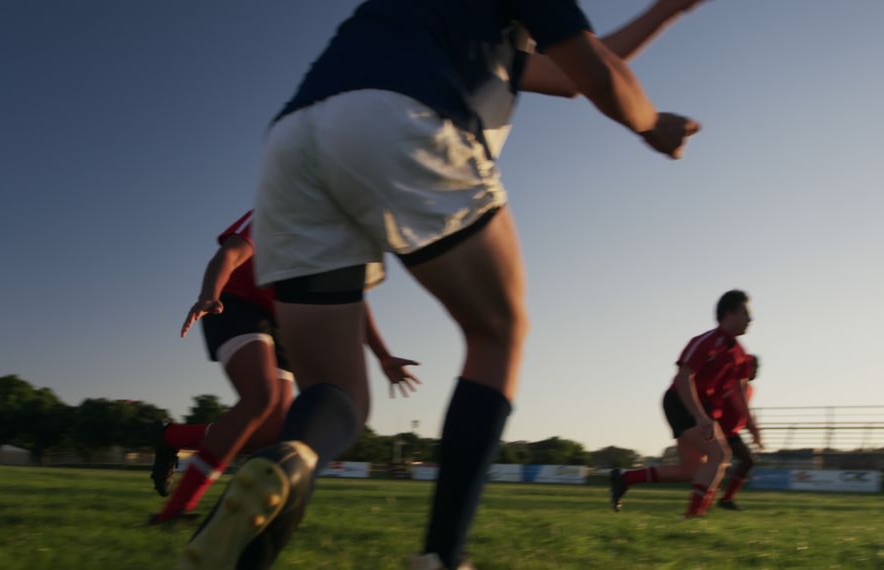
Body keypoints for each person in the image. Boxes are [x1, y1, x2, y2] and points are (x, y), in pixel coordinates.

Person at [181, 0, 704, 568]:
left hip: (293, 141)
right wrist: (651, 124)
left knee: (335, 394)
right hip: (405, 115)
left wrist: (667, 10)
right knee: (498, 330)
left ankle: (289, 458)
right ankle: (442, 555)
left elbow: (572, 74)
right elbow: (597, 73)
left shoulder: (451, 23)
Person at [149, 210, 419, 524]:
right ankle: (175, 510)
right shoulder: (282, 207)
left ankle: (174, 436)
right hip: (234, 303)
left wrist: (384, 356)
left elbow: (355, 304)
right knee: (260, 397)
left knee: (272, 433)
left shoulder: (339, 242)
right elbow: (231, 252)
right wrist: (209, 294)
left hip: (280, 321)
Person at [611, 290, 753, 518]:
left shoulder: (738, 352)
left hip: (699, 409)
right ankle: (693, 516)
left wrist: (752, 426)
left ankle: (625, 478)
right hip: (680, 403)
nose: (750, 319)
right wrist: (700, 416)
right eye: (746, 312)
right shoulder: (705, 341)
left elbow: (738, 392)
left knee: (689, 470)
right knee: (719, 454)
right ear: (729, 314)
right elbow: (683, 377)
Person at [716, 354, 762, 510]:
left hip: (730, 432)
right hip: (716, 429)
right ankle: (708, 499)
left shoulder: (749, 389)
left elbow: (743, 413)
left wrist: (752, 430)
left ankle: (726, 499)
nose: (757, 370)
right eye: (754, 367)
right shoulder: (730, 384)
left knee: (748, 460)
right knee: (714, 464)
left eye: (758, 367)